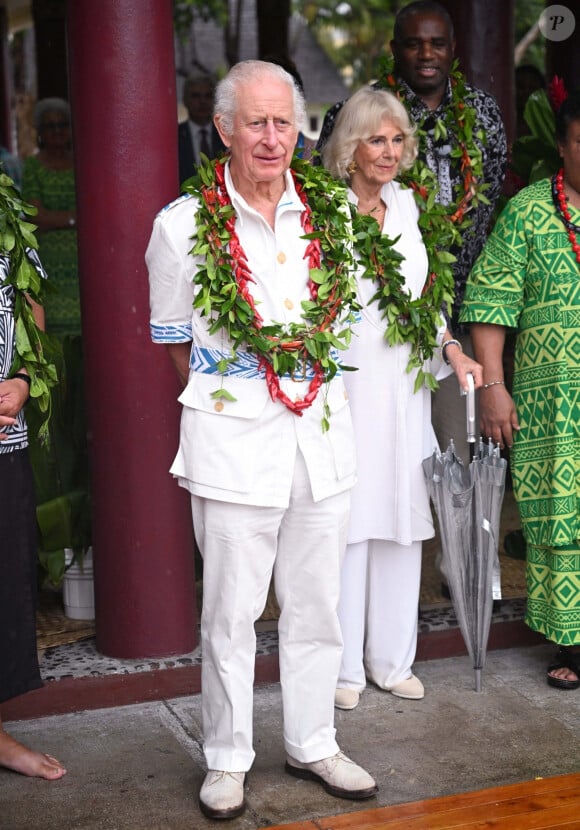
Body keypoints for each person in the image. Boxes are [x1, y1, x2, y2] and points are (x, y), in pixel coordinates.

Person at [146, 59, 378, 821]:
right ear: (223, 129)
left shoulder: (335, 215)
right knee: (230, 612)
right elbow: (176, 342)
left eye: (285, 122)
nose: (274, 138)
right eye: (257, 122)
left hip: (321, 436)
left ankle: (313, 741)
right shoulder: (181, 226)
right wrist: (244, 389)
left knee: (317, 604)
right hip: (234, 444)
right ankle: (226, 757)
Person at [321, 85, 483, 710]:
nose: (388, 153)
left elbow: (427, 298)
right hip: (348, 381)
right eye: (375, 140)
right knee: (348, 522)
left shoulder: (411, 206)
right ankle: (340, 670)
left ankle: (392, 660)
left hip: (405, 380)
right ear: (350, 148)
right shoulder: (326, 212)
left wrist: (453, 349)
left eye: (396, 141)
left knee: (401, 518)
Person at [316, 0, 506, 475]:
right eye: (414, 43)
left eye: (437, 43)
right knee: (379, 462)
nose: (426, 53)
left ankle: (452, 553)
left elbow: (493, 194)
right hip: (380, 327)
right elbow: (322, 198)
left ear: (453, 49)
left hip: (464, 315)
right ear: (394, 49)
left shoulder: (483, 113)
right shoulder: (360, 112)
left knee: (456, 464)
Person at [459, 90, 580, 691]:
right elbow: (490, 301)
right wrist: (494, 385)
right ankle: (572, 641)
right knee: (561, 517)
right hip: (553, 403)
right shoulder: (530, 212)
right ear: (562, 146)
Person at [0, 206, 65, 779]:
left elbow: (31, 327)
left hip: (3, 438)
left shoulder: (8, 227)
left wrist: (21, 381)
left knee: (3, 578)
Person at [22, 98, 79, 339]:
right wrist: (74, 220)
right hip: (49, 260)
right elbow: (36, 216)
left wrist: (57, 218)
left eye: (62, 125)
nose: (57, 131)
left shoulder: (81, 161)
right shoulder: (33, 166)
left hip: (81, 258)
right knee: (53, 334)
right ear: (40, 132)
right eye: (50, 126)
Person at [178, 72, 225, 187]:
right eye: (196, 96)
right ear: (185, 100)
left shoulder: (225, 133)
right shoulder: (175, 136)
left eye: (208, 96)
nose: (202, 101)